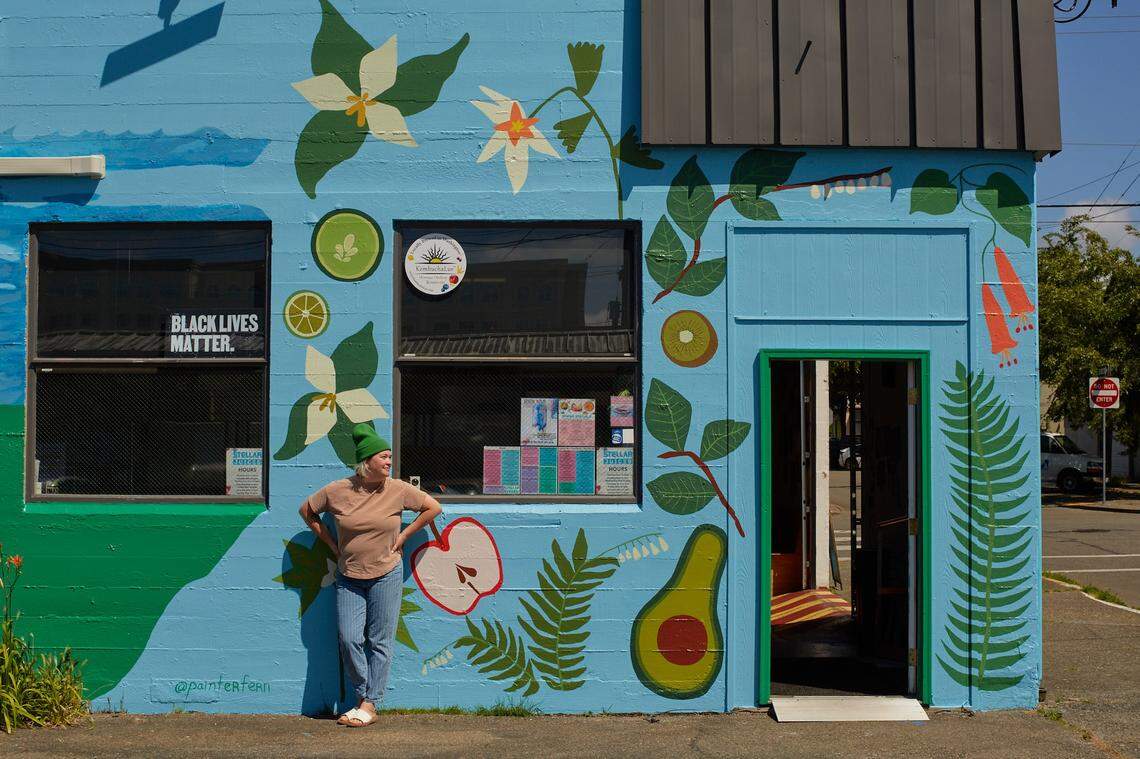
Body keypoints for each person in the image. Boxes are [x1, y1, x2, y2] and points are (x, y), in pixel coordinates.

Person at [299, 423, 442, 728]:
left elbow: (433, 507)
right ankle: (365, 695)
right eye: (384, 457)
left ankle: (368, 703)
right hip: (349, 575)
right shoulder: (338, 490)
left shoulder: (398, 489)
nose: (389, 462)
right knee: (350, 639)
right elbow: (306, 511)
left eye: (390, 457)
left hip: (386, 574)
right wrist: (331, 544)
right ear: (367, 462)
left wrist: (404, 536)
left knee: (379, 641)